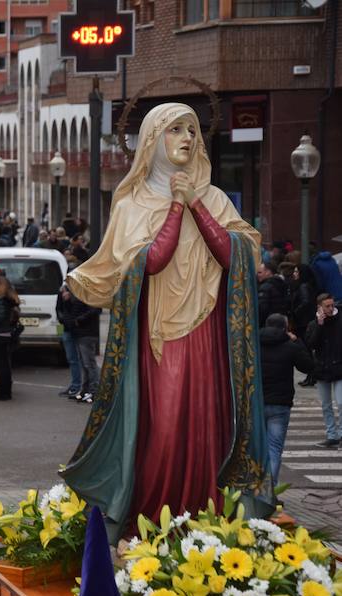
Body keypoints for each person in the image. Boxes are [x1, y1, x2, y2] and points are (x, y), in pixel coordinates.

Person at [60, 103, 273, 540]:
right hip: (159, 340)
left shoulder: (212, 197)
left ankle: (207, 525)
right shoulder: (132, 204)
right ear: (154, 139)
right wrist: (177, 206)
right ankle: (153, 524)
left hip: (210, 336)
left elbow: (238, 255)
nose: (187, 139)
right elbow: (150, 261)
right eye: (175, 129)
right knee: (165, 432)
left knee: (210, 431)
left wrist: (195, 201)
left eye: (192, 131)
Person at [259, 313, 314, 484]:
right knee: (274, 448)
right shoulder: (290, 346)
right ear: (285, 328)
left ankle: (256, 488)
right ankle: (270, 491)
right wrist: (297, 341)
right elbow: (308, 366)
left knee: (258, 447)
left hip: (258, 402)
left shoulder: (255, 344)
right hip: (280, 403)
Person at [305, 293, 342, 448]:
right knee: (326, 404)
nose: (330, 308)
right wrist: (319, 325)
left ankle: (340, 434)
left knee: (341, 403)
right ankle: (331, 435)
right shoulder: (314, 324)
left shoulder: (340, 320)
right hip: (322, 368)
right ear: (319, 307)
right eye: (327, 306)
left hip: (339, 366)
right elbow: (311, 344)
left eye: (332, 305)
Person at [57, 285, 100, 403]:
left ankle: (93, 391)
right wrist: (67, 301)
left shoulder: (89, 291)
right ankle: (85, 390)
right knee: (83, 362)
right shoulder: (72, 292)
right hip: (78, 332)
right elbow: (67, 310)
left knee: (89, 362)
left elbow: (95, 309)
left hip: (87, 332)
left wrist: (78, 320)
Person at [55, 285, 83, 400]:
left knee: (85, 360)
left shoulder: (81, 289)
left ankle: (86, 387)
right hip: (67, 329)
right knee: (72, 359)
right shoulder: (62, 289)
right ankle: (75, 385)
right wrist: (63, 320)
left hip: (81, 330)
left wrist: (71, 299)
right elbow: (59, 308)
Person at [257, 262, 289, 326]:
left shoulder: (265, 287)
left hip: (268, 323)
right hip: (281, 322)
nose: (257, 275)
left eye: (260, 272)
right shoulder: (283, 283)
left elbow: (262, 309)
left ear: (268, 272)